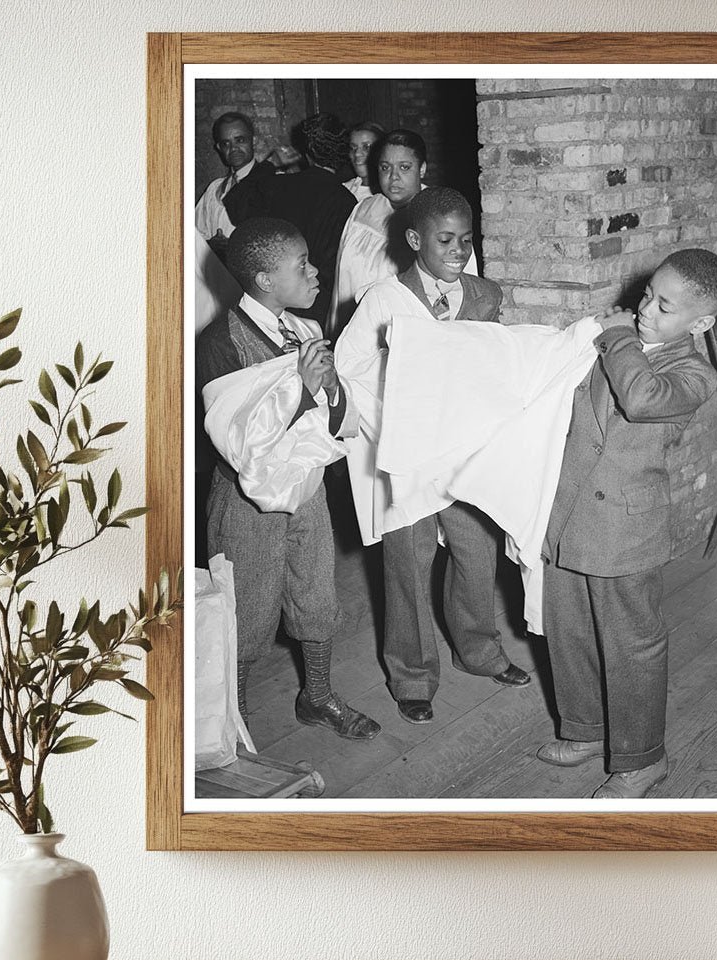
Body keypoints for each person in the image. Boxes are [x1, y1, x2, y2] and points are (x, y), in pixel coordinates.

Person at [537, 248, 717, 798]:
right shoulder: (614, 345)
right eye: (647, 295)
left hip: (625, 529)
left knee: (632, 646)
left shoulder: (693, 373)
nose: (645, 310)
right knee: (568, 628)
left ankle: (643, 759)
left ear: (701, 322)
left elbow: (641, 399)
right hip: (570, 512)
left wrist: (617, 336)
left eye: (664, 307)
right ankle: (584, 729)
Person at [335, 186, 530, 725]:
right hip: (407, 455)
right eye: (445, 240)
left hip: (464, 452)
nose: (458, 250)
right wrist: (401, 393)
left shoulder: (484, 295)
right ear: (415, 240)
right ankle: (413, 674)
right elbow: (349, 366)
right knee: (408, 560)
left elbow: (495, 363)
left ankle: (479, 649)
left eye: (466, 240)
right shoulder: (382, 300)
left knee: (476, 551)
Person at [196, 217, 381, 741]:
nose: (316, 271)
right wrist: (301, 388)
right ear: (264, 281)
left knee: (317, 595)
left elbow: (336, 411)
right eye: (301, 265)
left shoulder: (305, 330)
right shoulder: (220, 341)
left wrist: (331, 389)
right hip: (245, 504)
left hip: (307, 490)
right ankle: (233, 720)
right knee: (246, 611)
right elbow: (235, 440)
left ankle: (317, 697)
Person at [328, 128, 478, 339]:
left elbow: (463, 285)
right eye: (385, 167)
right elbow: (342, 283)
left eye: (405, 167)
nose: (393, 177)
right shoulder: (363, 211)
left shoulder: (442, 213)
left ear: (422, 169)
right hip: (360, 331)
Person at [225, 113, 357, 330]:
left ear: (307, 152)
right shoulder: (347, 201)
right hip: (322, 310)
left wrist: (270, 163)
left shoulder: (279, 186)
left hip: (274, 304)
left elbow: (236, 202)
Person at [194, 112, 277, 258]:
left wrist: (236, 246)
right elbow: (195, 235)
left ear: (254, 141)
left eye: (240, 140)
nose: (233, 149)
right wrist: (210, 245)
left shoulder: (274, 182)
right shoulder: (215, 189)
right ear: (219, 148)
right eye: (226, 143)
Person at [342, 121, 385, 202]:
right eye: (353, 147)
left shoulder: (390, 196)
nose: (357, 154)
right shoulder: (343, 189)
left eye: (366, 147)